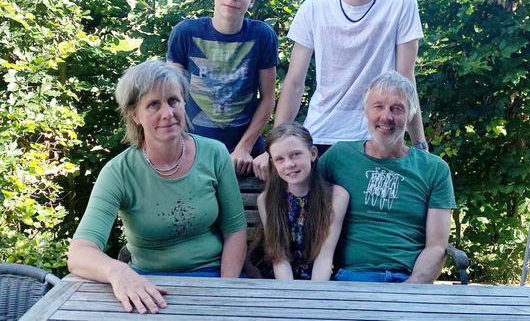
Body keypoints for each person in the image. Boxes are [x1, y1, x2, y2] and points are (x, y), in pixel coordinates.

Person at [68, 60, 247, 314]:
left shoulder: (215, 154)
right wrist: (117, 271)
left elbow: (235, 229)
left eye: (173, 101)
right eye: (153, 104)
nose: (167, 113)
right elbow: (79, 253)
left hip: (215, 276)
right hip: (148, 286)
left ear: (184, 103)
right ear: (134, 114)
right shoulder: (119, 172)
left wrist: (224, 291)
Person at [261, 0, 426, 180]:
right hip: (321, 136)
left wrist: (420, 145)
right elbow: (294, 82)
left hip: (376, 137)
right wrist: (275, 147)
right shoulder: (314, 9)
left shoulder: (402, 4)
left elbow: (405, 79)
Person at [320, 71, 456, 283]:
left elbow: (437, 246)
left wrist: (409, 290)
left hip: (409, 279)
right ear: (366, 111)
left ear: (410, 115)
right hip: (352, 279)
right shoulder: (339, 156)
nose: (386, 117)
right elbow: (296, 193)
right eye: (378, 107)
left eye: (397, 109)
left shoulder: (434, 169)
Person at [167, 0, 277, 176]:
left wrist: (244, 148)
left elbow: (268, 98)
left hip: (245, 156)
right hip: (192, 150)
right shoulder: (185, 32)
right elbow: (169, 97)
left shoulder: (262, 35)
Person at [256, 122, 349, 280]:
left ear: (312, 154)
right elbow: (279, 258)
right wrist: (289, 292)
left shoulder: (337, 196)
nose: (289, 164)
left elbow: (325, 256)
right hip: (282, 282)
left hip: (321, 280)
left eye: (295, 154)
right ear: (273, 164)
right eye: (280, 159)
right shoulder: (266, 200)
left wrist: (313, 293)